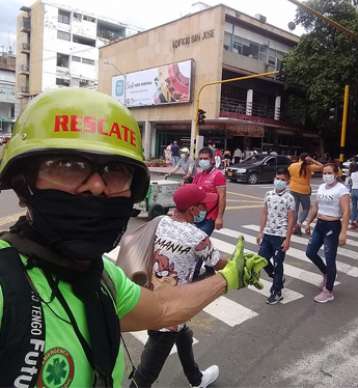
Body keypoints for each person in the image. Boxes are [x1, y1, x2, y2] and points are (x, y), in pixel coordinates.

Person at [0, 88, 265, 387]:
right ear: (23, 183)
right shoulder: (5, 284)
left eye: (116, 170)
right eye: (68, 166)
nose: (98, 186)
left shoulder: (104, 278)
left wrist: (229, 277)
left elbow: (164, 309)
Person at [132, 184, 226, 388]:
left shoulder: (159, 222)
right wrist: (240, 260)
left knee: (184, 334)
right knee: (145, 375)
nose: (204, 210)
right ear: (192, 209)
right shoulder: (197, 237)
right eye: (201, 206)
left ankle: (196, 379)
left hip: (148, 296)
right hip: (168, 311)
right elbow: (218, 263)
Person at [301, 163, 351, 303]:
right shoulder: (322, 187)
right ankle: (326, 274)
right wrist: (308, 222)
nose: (326, 175)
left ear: (336, 174)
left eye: (329, 173)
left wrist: (343, 232)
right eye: (324, 173)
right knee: (310, 252)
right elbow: (315, 206)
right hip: (320, 224)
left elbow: (346, 211)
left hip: (333, 226)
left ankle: (328, 291)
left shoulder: (342, 190)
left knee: (330, 259)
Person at [257, 169, 296, 305]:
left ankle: (276, 292)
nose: (279, 181)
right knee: (261, 258)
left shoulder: (289, 198)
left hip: (280, 235)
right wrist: (260, 232)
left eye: (282, 179)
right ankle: (276, 277)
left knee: (278, 263)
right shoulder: (268, 194)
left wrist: (288, 239)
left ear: (288, 182)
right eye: (277, 178)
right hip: (268, 233)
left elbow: (291, 219)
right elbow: (264, 213)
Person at [192, 147, 227, 236]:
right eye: (201, 159)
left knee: (199, 240)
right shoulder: (198, 175)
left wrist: (219, 218)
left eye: (205, 158)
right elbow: (192, 193)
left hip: (209, 217)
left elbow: (222, 197)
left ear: (211, 160)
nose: (203, 161)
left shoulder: (218, 175)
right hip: (196, 215)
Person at [288, 153, 324, 235]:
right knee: (306, 208)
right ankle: (299, 223)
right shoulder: (309, 167)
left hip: (293, 189)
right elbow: (322, 167)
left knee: (295, 210)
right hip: (304, 191)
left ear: (299, 158)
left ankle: (294, 227)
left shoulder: (293, 165)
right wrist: (312, 160)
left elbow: (289, 174)